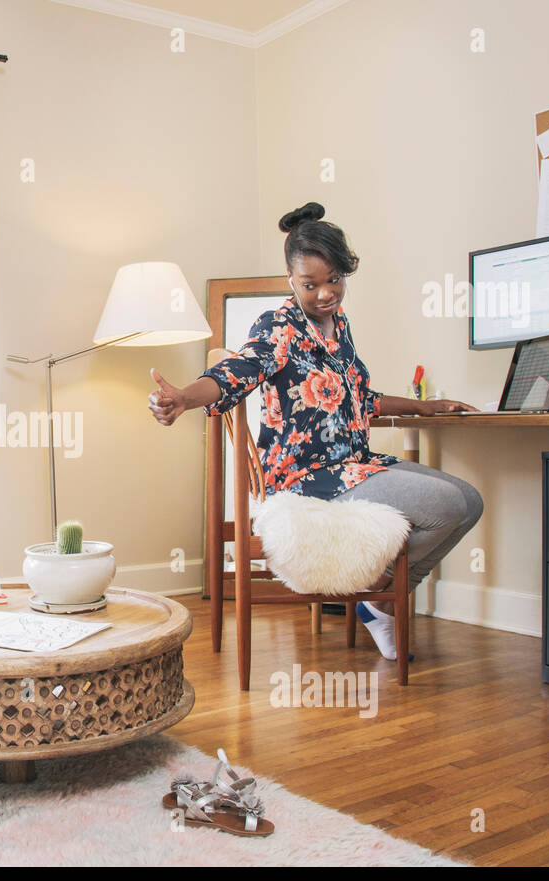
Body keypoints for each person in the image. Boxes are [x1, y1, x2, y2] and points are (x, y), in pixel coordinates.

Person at [147, 202, 483, 660]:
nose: (325, 294)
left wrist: (427, 405)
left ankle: (378, 598)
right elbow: (236, 371)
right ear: (291, 280)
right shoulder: (278, 326)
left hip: (353, 466)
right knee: (451, 504)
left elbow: (360, 398)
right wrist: (185, 397)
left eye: (334, 281)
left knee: (469, 501)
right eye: (311, 285)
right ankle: (381, 595)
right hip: (308, 479)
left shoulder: (338, 325)